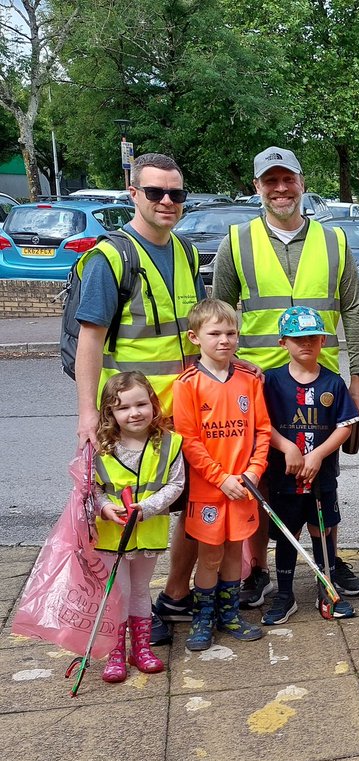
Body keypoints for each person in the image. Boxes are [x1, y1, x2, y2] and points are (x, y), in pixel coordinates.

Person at [211, 146, 359, 608]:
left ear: (301, 182)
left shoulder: (334, 241)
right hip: (259, 390)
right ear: (257, 187)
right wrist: (222, 376)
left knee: (324, 481)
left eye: (288, 180)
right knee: (261, 484)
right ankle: (258, 569)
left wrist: (358, 376)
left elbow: (353, 311)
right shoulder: (236, 241)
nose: (280, 189)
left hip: (322, 384)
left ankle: (330, 560)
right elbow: (219, 314)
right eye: (270, 181)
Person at [72, 152, 205, 647]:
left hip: (180, 415)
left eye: (176, 193)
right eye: (155, 192)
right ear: (133, 194)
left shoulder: (188, 253)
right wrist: (89, 414)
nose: (167, 201)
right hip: (130, 420)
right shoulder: (111, 257)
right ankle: (127, 618)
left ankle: (168, 599)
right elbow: (90, 338)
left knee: (190, 508)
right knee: (125, 522)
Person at [172, 299, 271, 651]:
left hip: (244, 488)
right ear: (195, 337)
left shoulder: (249, 380)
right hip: (209, 490)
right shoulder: (187, 383)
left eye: (231, 333)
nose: (224, 340)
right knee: (209, 556)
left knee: (233, 553)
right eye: (215, 333)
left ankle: (230, 614)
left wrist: (254, 472)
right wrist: (220, 478)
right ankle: (204, 617)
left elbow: (262, 431)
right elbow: (189, 440)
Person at [262, 306, 359, 624]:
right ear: (283, 343)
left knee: (322, 528)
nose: (305, 343)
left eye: (312, 337)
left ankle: (328, 589)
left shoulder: (333, 383)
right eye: (297, 338)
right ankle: (284, 594)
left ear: (323, 341)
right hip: (285, 476)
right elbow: (262, 424)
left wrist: (318, 455)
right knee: (289, 533)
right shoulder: (272, 383)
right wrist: (287, 447)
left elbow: (345, 425)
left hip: (322, 477)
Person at [92, 372, 185, 682]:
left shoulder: (169, 443)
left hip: (147, 531)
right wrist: (104, 507)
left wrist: (147, 508)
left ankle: (141, 649)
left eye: (141, 404)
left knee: (140, 590)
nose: (134, 413)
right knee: (118, 592)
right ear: (109, 413)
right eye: (122, 408)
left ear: (153, 404)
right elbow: (90, 488)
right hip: (112, 535)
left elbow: (176, 484)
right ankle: (115, 652)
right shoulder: (100, 446)